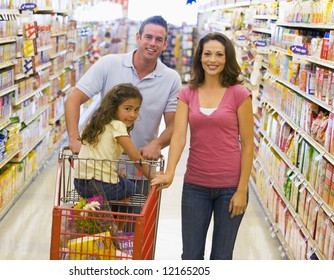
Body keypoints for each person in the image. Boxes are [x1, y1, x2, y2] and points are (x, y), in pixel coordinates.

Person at [151, 32, 254, 260]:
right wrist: (169, 172)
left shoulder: (239, 94)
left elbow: (248, 145)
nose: (213, 60)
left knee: (222, 256)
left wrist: (242, 190)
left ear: (227, 58)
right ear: (200, 57)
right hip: (195, 186)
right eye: (207, 54)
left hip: (230, 187)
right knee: (190, 256)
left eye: (219, 54)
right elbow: (178, 137)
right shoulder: (187, 93)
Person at [64, 15, 182, 164]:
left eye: (159, 39)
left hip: (140, 166)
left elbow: (174, 125)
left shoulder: (171, 79)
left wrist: (157, 144)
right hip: (100, 165)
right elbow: (73, 99)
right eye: (148, 37)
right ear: (138, 37)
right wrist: (74, 138)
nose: (152, 43)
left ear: (165, 44)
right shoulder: (109, 63)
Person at [74, 83, 152, 203]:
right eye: (128, 109)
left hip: (80, 183)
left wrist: (113, 171)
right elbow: (135, 157)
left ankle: (104, 212)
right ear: (114, 107)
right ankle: (117, 220)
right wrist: (153, 177)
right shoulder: (118, 125)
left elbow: (99, 154)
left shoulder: (98, 124)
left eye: (136, 110)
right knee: (134, 189)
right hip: (102, 185)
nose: (133, 114)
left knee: (119, 183)